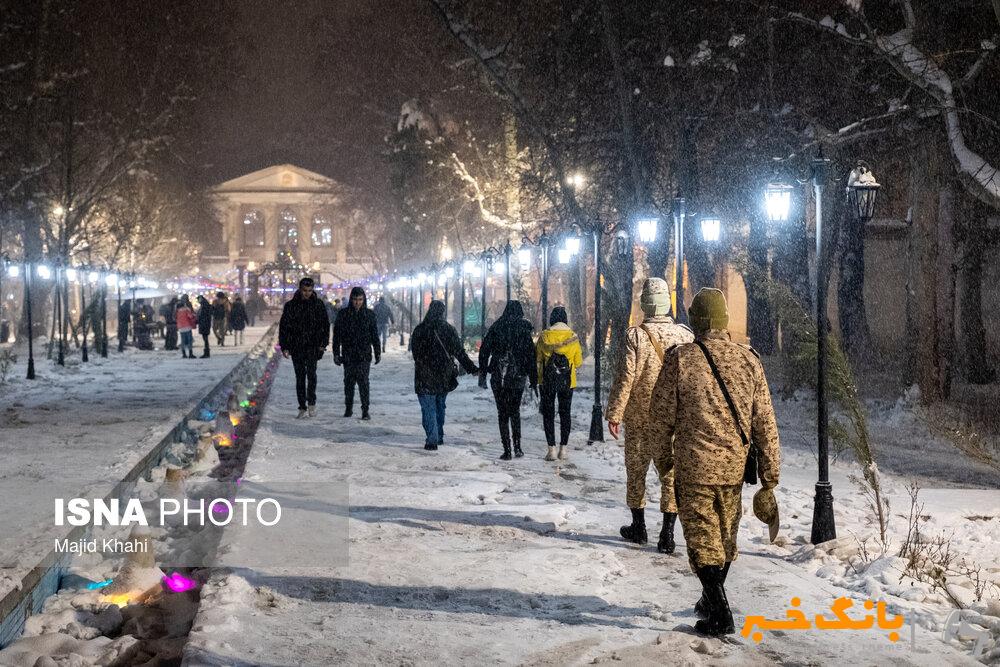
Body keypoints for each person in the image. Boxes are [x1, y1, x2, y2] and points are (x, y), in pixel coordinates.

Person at [649, 288, 781, 637]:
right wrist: (770, 477)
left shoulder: (682, 359)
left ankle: (720, 614)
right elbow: (765, 423)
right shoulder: (749, 360)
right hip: (734, 470)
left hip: (693, 467)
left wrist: (664, 462)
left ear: (695, 321)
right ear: (724, 320)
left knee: (701, 541)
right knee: (723, 540)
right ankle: (711, 599)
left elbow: (659, 419)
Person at [606, 278, 694, 553]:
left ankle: (639, 526)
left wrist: (615, 412)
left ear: (645, 303)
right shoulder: (685, 335)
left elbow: (626, 377)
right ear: (667, 302)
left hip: (641, 416)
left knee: (636, 470)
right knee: (670, 474)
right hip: (674, 418)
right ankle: (668, 533)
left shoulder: (636, 336)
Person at [411, 300, 477, 450]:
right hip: (443, 375)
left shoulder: (420, 330)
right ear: (443, 312)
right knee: (440, 406)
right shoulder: (448, 329)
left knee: (428, 407)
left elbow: (415, 353)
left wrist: (425, 363)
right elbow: (460, 352)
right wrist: (472, 368)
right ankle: (438, 435)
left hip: (424, 375)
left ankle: (432, 439)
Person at [478, 300, 535, 460]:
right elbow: (531, 355)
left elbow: (484, 350)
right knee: (515, 411)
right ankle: (518, 447)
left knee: (502, 412)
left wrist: (483, 371)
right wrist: (533, 377)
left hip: (498, 375)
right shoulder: (524, 329)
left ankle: (507, 449)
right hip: (518, 376)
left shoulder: (497, 327)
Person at [535, 306, 583, 461]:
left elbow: (537, 359)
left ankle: (551, 450)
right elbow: (578, 362)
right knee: (565, 413)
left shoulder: (544, 336)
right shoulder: (573, 337)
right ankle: (564, 449)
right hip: (567, 381)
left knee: (548, 414)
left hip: (547, 380)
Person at [279, 277, 330, 418]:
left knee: (312, 375)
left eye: (309, 290)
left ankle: (312, 403)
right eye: (304, 290)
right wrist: (285, 346)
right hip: (297, 346)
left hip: (313, 346)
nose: (307, 293)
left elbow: (325, 325)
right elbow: (284, 327)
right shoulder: (291, 306)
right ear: (300, 290)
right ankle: (302, 406)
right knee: (300, 377)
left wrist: (323, 344)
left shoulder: (318, 305)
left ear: (312, 290)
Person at [331, 286, 380, 420]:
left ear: (363, 300)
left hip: (364, 354)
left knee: (364, 383)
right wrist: (336, 353)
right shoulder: (343, 314)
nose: (357, 302)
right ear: (351, 299)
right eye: (355, 299)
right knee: (349, 383)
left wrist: (377, 351)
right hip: (348, 354)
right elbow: (337, 336)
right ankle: (349, 408)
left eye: (360, 299)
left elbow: (374, 335)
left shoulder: (369, 315)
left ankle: (365, 410)